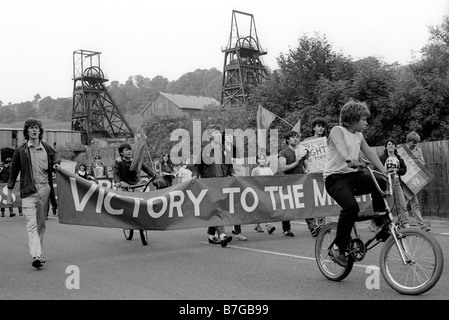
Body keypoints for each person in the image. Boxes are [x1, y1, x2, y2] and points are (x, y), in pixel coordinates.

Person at [323, 101, 388, 267]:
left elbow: (370, 152)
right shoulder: (337, 130)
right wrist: (348, 158)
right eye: (363, 119)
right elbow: (339, 146)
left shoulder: (358, 135)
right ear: (352, 120)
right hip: (335, 178)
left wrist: (384, 172)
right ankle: (337, 248)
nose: (366, 123)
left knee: (379, 182)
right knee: (351, 208)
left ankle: (380, 224)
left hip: (352, 176)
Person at [6, 118, 58, 269]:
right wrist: (9, 192)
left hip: (44, 189)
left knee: (41, 224)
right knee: (31, 224)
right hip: (28, 190)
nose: (34, 130)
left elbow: (56, 165)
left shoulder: (47, 149)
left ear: (40, 131)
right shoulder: (21, 151)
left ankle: (39, 252)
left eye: (37, 128)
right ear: (27, 131)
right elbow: (13, 172)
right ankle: (36, 255)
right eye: (31, 128)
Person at [191, 124, 233, 248]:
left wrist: (232, 173)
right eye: (217, 136)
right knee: (217, 208)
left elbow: (229, 164)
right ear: (211, 138)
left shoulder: (225, 149)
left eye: (220, 136)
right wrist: (195, 176)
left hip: (222, 183)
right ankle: (222, 235)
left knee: (217, 208)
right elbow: (197, 166)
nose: (220, 137)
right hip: (209, 184)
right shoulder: (205, 150)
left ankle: (211, 236)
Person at [278, 130, 317, 237]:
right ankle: (286, 229)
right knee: (288, 205)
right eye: (293, 137)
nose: (295, 139)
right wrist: (295, 162)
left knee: (305, 203)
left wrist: (308, 169)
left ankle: (312, 227)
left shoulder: (301, 151)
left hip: (301, 181)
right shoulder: (283, 153)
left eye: (297, 137)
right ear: (287, 139)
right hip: (288, 182)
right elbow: (283, 168)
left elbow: (306, 164)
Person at [368, 139, 411, 231]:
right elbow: (375, 169)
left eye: (392, 144)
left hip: (396, 182)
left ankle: (405, 222)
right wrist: (383, 173)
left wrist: (397, 170)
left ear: (395, 146)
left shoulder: (399, 158)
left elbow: (404, 170)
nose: (391, 146)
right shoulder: (382, 157)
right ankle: (374, 222)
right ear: (386, 147)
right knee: (385, 204)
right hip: (386, 183)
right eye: (389, 144)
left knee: (402, 203)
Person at [303, 117, 328, 227]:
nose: (321, 128)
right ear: (313, 128)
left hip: (325, 172)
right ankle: (314, 224)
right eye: (318, 126)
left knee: (323, 197)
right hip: (312, 174)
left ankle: (322, 222)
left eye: (322, 126)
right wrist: (305, 168)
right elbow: (302, 156)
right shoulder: (306, 142)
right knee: (313, 198)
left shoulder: (327, 140)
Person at [223, 130, 247, 241]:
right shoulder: (219, 148)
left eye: (231, 135)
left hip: (233, 177)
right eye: (227, 135)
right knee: (221, 205)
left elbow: (239, 162)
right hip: (221, 180)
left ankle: (237, 231)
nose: (230, 137)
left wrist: (233, 160)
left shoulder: (234, 148)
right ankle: (216, 232)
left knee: (236, 203)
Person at [404, 131, 430, 231]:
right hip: (403, 180)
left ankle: (421, 225)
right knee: (406, 203)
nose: (415, 145)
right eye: (413, 142)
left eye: (417, 142)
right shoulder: (402, 151)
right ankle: (421, 225)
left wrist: (416, 161)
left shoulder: (418, 150)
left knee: (411, 203)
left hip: (413, 180)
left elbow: (423, 163)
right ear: (408, 141)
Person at [251, 153, 276, 234]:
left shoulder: (269, 169)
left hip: (267, 191)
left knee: (264, 208)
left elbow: (273, 180)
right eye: (260, 159)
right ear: (257, 161)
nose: (261, 160)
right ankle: (268, 225)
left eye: (263, 159)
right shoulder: (255, 170)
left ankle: (257, 225)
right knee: (264, 208)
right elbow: (252, 181)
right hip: (259, 191)